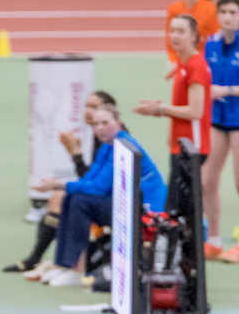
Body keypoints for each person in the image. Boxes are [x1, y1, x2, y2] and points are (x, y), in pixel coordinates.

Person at [32, 105, 166, 287]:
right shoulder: (107, 146)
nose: (100, 128)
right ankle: (64, 265)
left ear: (118, 122)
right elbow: (89, 179)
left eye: (105, 123)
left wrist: (57, 185)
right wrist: (65, 186)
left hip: (145, 210)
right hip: (125, 202)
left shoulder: (124, 146)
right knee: (71, 197)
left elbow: (99, 188)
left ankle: (77, 269)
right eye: (95, 124)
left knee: (79, 202)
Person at [4, 90, 120, 276]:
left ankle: (60, 264)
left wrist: (75, 154)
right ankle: (49, 261)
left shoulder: (111, 138)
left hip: (115, 199)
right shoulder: (98, 135)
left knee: (64, 199)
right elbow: (90, 177)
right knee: (60, 197)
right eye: (86, 106)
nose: (88, 111)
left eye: (94, 107)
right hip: (106, 193)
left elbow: (95, 184)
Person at [135, 14, 212, 212]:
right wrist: (159, 110)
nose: (175, 36)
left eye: (181, 31)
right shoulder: (182, 64)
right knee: (177, 208)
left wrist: (160, 109)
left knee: (180, 209)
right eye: (172, 31)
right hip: (180, 146)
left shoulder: (196, 66)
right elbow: (181, 106)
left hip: (192, 147)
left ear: (194, 35)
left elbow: (195, 111)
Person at [202, 0, 239, 262]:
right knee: (206, 181)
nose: (228, 17)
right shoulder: (211, 44)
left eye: (233, 12)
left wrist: (226, 90)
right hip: (217, 119)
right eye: (223, 12)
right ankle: (213, 240)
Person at [166, 0, 219, 71]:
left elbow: (215, 42)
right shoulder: (174, 9)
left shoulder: (211, 10)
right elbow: (170, 43)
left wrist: (200, 65)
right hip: (181, 64)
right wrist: (174, 64)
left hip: (204, 64)